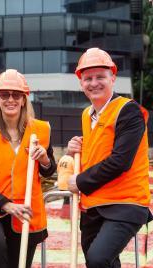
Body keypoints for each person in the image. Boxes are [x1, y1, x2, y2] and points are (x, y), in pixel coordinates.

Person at [66, 47, 152, 267]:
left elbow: (120, 161)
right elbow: (98, 153)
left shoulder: (129, 110)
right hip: (94, 205)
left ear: (113, 78)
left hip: (125, 202)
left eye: (100, 77)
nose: (94, 83)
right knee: (103, 262)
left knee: (98, 260)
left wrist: (80, 181)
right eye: (88, 78)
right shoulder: (87, 114)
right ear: (80, 82)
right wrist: (76, 149)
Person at [0, 69, 56, 268]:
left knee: (18, 264)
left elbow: (48, 171)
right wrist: (5, 205)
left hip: (26, 209)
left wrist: (44, 159)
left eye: (16, 95)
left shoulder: (41, 131)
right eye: (5, 95)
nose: (11, 100)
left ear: (24, 99)